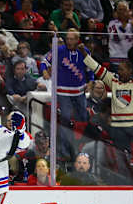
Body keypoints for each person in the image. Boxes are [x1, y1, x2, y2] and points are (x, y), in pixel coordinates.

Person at [79, 43, 133, 160]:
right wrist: (84, 54)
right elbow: (97, 68)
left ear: (130, 70)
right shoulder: (114, 81)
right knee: (121, 158)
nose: (119, 72)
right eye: (118, 69)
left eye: (122, 70)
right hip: (119, 127)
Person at [40, 29, 94, 161]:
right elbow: (44, 62)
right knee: (65, 121)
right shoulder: (59, 50)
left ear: (77, 40)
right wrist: (44, 72)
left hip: (79, 92)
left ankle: (83, 151)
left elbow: (90, 68)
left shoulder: (84, 52)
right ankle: (65, 153)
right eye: (67, 39)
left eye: (71, 39)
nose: (69, 41)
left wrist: (91, 81)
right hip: (63, 92)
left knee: (83, 120)